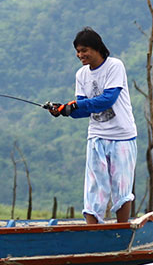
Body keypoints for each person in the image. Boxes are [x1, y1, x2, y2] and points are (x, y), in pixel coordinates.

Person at [47, 28, 137, 224]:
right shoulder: (81, 75)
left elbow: (107, 100)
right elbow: (84, 109)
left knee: (121, 186)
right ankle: (92, 233)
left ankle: (121, 230)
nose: (80, 55)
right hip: (96, 135)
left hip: (122, 136)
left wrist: (73, 105)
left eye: (84, 50)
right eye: (78, 51)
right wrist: (63, 110)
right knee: (94, 187)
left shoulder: (115, 66)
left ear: (97, 48)